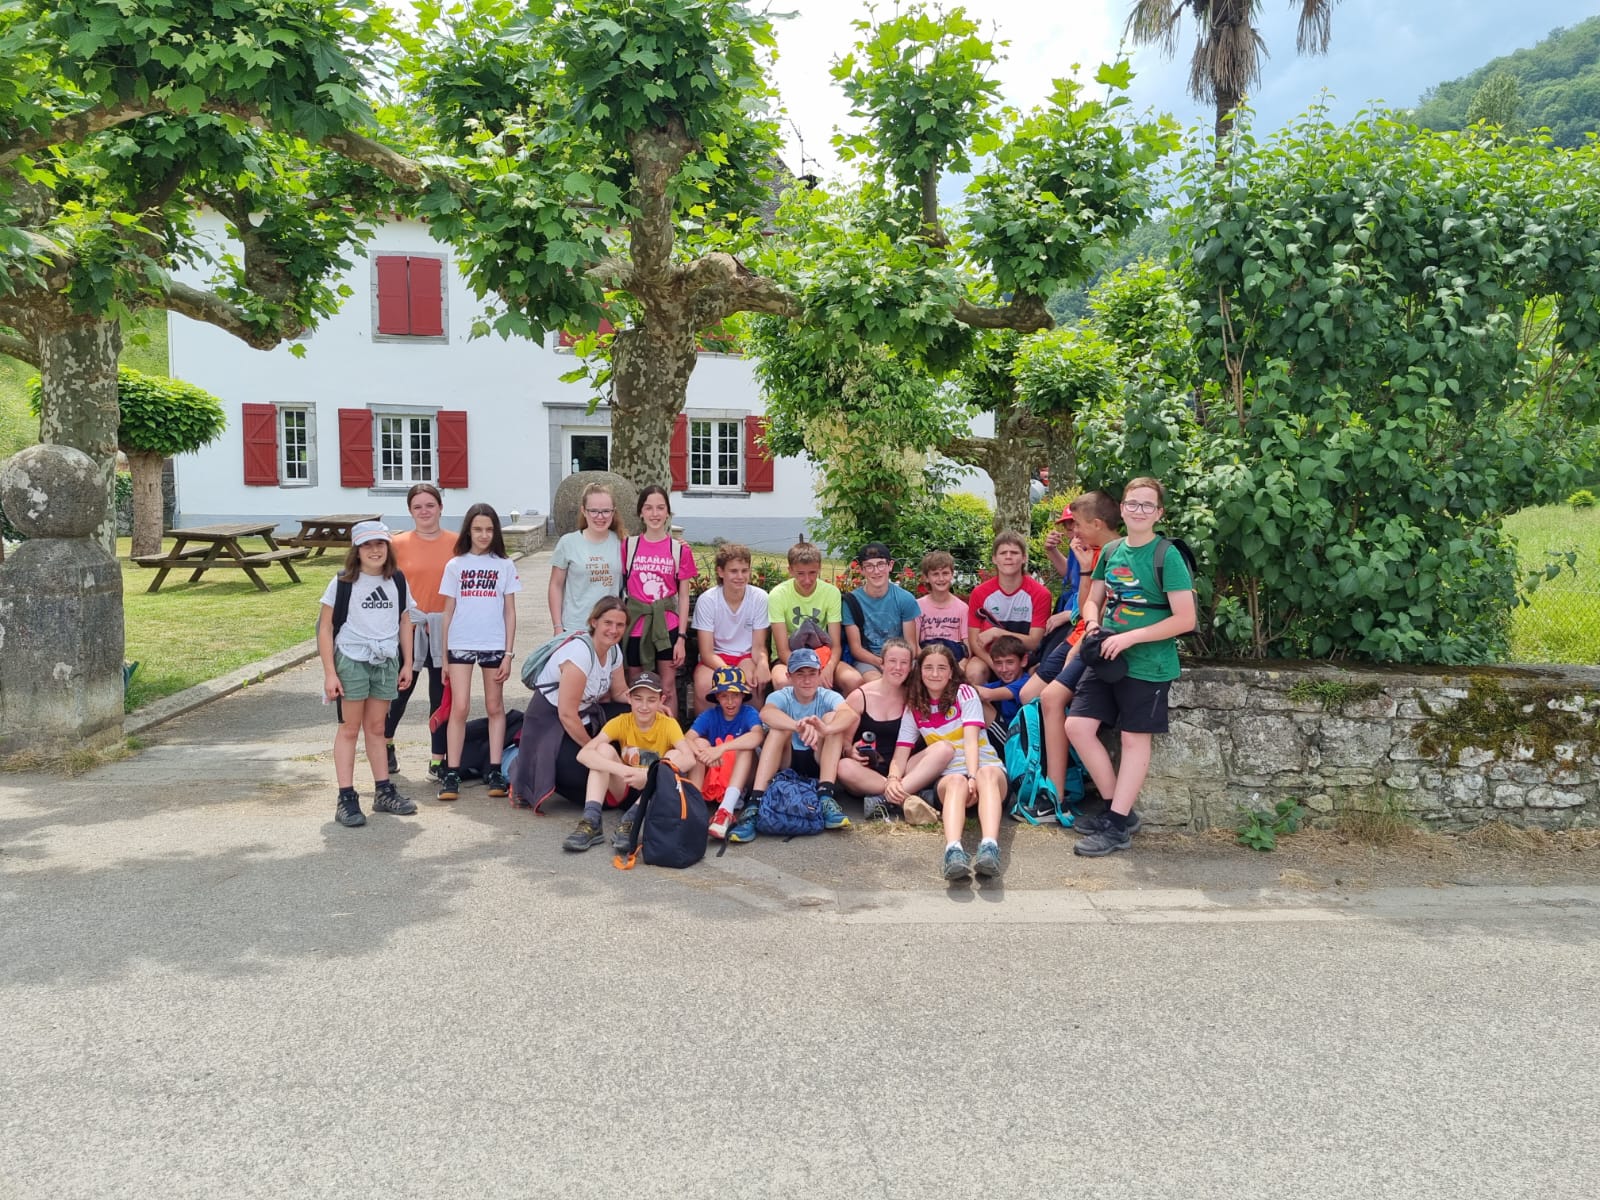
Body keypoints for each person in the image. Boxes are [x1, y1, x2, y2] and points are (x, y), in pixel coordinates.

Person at [1066, 477, 1195, 857]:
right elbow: (1093, 599)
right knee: (1077, 725)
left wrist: (1130, 637)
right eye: (1132, 503)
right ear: (1122, 509)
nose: (1139, 510)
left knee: (1133, 740)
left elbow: (1185, 618)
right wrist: (1092, 623)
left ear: (1158, 513)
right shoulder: (1110, 552)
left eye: (1147, 505)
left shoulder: (1167, 555)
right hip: (1107, 655)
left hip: (1150, 664)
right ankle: (1117, 811)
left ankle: (1117, 825)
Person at [1022, 490, 1122, 805]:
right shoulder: (1094, 553)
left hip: (1095, 642)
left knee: (1052, 699)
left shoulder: (1116, 553)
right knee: (1029, 696)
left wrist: (1079, 646)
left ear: (1096, 522)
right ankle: (1049, 777)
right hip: (1080, 636)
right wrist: (1086, 570)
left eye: (1075, 524)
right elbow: (1085, 606)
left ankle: (1057, 789)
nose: (1073, 531)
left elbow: (1106, 613)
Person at [318, 521, 416, 828]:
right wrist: (330, 673)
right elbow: (325, 627)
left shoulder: (397, 581)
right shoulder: (344, 582)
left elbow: (404, 622)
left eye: (380, 544)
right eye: (367, 545)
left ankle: (383, 790)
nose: (375, 550)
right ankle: (346, 797)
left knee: (377, 728)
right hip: (352, 659)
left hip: (385, 660)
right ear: (357, 551)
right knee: (350, 728)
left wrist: (407, 662)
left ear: (388, 548)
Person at [891, 643, 1010, 882]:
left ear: (951, 671)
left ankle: (989, 848)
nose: (935, 674)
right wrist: (893, 779)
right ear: (919, 671)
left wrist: (973, 776)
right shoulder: (914, 707)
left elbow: (971, 741)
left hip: (986, 770)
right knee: (955, 779)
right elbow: (900, 754)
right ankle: (953, 851)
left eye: (941, 668)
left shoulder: (964, 692)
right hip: (951, 779)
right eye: (929, 668)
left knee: (987, 773)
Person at [511, 596, 630, 815]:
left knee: (632, 714)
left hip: (583, 716)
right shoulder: (580, 654)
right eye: (608, 623)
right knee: (584, 779)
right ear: (594, 622)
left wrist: (648, 702)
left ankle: (630, 766)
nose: (613, 630)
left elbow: (620, 693)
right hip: (551, 721)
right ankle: (521, 766)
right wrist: (594, 749)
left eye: (620, 625)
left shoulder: (613, 651)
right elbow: (567, 714)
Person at [727, 648, 857, 842]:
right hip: (787, 760)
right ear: (789, 676)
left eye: (812, 674)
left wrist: (825, 729)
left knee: (833, 719)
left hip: (817, 758)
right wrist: (798, 726)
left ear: (819, 674)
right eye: (800, 674)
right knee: (779, 727)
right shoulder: (782, 695)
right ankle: (755, 804)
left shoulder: (826, 695)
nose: (807, 680)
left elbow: (850, 714)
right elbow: (766, 713)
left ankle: (826, 796)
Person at [437, 503, 520, 802]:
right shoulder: (456, 565)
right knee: (459, 707)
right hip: (461, 642)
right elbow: (447, 612)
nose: (484, 535)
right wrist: (444, 657)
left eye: (489, 529)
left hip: (493, 644)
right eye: (477, 529)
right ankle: (451, 771)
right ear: (468, 531)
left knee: (494, 706)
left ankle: (496, 769)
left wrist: (509, 654)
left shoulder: (505, 565)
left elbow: (510, 612)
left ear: (495, 531)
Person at [569, 671, 696, 853]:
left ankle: (631, 820)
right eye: (638, 699)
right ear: (629, 698)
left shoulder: (668, 724)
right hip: (625, 784)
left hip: (653, 792)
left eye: (651, 700)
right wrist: (623, 771)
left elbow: (689, 759)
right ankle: (591, 820)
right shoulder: (621, 722)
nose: (644, 706)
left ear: (662, 700)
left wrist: (648, 775)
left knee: (674, 754)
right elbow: (584, 754)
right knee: (602, 751)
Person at [835, 637, 955, 823]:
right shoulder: (861, 696)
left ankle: (885, 799)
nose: (898, 668)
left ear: (910, 668)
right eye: (892, 661)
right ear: (881, 664)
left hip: (905, 768)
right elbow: (844, 743)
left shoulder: (915, 696)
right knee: (843, 767)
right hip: (868, 772)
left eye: (904, 663)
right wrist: (851, 751)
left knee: (944, 748)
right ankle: (909, 796)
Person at [384, 483, 456, 780]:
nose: (425, 511)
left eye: (430, 505)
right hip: (409, 628)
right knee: (399, 691)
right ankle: (385, 743)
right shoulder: (396, 544)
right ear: (410, 511)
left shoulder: (457, 543)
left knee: (441, 696)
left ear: (441, 507)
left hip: (445, 628)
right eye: (418, 507)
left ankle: (438, 758)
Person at [622, 486, 698, 718]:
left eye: (660, 508)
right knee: (636, 687)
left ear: (668, 513)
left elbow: (683, 596)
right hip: (635, 626)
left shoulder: (678, 550)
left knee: (667, 688)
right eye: (649, 508)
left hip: (668, 627)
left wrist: (682, 638)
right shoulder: (628, 546)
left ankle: (671, 744)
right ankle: (637, 742)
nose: (655, 514)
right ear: (641, 513)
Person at [691, 542, 771, 714]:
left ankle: (752, 734)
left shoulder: (759, 598)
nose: (740, 576)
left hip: (746, 656)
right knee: (705, 686)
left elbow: (758, 646)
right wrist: (730, 674)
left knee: (753, 685)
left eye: (744, 571)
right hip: (716, 657)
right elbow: (706, 652)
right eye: (733, 571)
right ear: (721, 572)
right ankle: (704, 734)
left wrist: (763, 663)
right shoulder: (708, 600)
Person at [964, 530, 1051, 685]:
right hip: (990, 656)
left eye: (1014, 552)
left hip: (1024, 657)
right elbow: (974, 641)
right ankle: (986, 710)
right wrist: (996, 666)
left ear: (1024, 558)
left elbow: (1033, 642)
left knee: (1040, 674)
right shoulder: (980, 593)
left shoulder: (1040, 593)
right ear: (994, 559)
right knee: (974, 672)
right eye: (1003, 553)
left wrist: (997, 633)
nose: (1008, 557)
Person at [689, 667, 768, 839]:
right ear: (717, 697)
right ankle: (693, 807)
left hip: (744, 776)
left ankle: (726, 810)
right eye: (724, 696)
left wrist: (721, 749)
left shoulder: (749, 713)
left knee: (745, 747)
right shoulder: (710, 715)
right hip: (716, 773)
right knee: (699, 742)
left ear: (742, 696)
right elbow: (687, 738)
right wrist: (704, 752)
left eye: (735, 695)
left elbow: (757, 736)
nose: (730, 702)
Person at [839, 541, 919, 695]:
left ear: (890, 566)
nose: (876, 571)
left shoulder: (905, 599)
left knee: (916, 681)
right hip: (869, 659)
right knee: (876, 685)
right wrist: (881, 662)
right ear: (862, 570)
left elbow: (912, 646)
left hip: (901, 658)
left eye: (881, 564)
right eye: (869, 566)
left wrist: (896, 663)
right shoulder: (851, 602)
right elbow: (856, 649)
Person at [549, 481, 624, 638]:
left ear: (613, 511)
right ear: (583, 511)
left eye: (606, 511)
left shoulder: (622, 543)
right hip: (575, 628)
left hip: (610, 630)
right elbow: (555, 586)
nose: (600, 517)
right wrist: (557, 626)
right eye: (594, 511)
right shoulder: (568, 543)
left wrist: (679, 546)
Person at [767, 541, 843, 692]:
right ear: (790, 570)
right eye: (800, 573)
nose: (807, 580)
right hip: (789, 656)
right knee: (782, 681)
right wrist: (807, 672)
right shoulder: (778, 594)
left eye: (812, 573)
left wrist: (827, 668)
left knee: (852, 679)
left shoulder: (831, 592)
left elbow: (835, 645)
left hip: (820, 655)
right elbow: (782, 650)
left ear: (820, 568)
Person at [972, 633, 1031, 748]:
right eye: (998, 663)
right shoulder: (998, 684)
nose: (1004, 669)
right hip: (1003, 735)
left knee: (978, 699)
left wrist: (957, 684)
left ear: (1023, 661)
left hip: (1017, 742)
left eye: (1010, 662)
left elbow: (987, 695)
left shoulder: (1026, 683)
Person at [914, 550, 968, 661]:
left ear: (952, 574)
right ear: (926, 577)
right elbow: (914, 645)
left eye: (945, 573)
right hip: (926, 658)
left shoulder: (963, 608)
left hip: (954, 659)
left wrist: (963, 663)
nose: (941, 579)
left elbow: (967, 646)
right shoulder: (917, 606)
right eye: (935, 574)